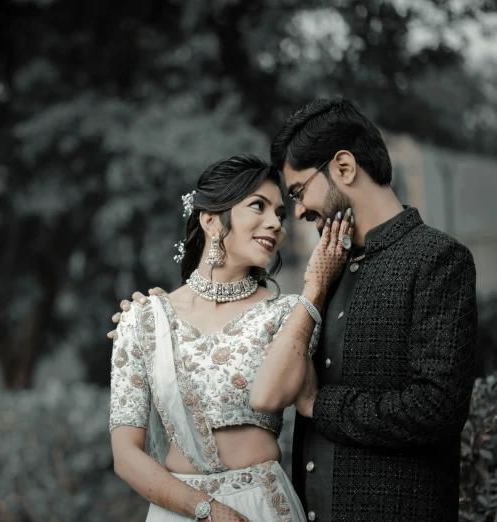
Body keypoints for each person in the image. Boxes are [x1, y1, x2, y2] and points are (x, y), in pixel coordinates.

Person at [112, 96, 478, 522]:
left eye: (296, 196)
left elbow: (437, 408)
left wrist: (318, 404)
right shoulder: (328, 274)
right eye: (263, 206)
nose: (293, 216)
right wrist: (147, 319)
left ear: (343, 167)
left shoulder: (433, 259)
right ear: (211, 220)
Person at [109, 154, 353, 522]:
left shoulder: (289, 315)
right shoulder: (144, 320)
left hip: (263, 507)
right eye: (258, 206)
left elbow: (297, 399)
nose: (275, 224)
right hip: (178, 510)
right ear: (210, 220)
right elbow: (126, 456)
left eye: (281, 214)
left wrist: (315, 290)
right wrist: (206, 510)